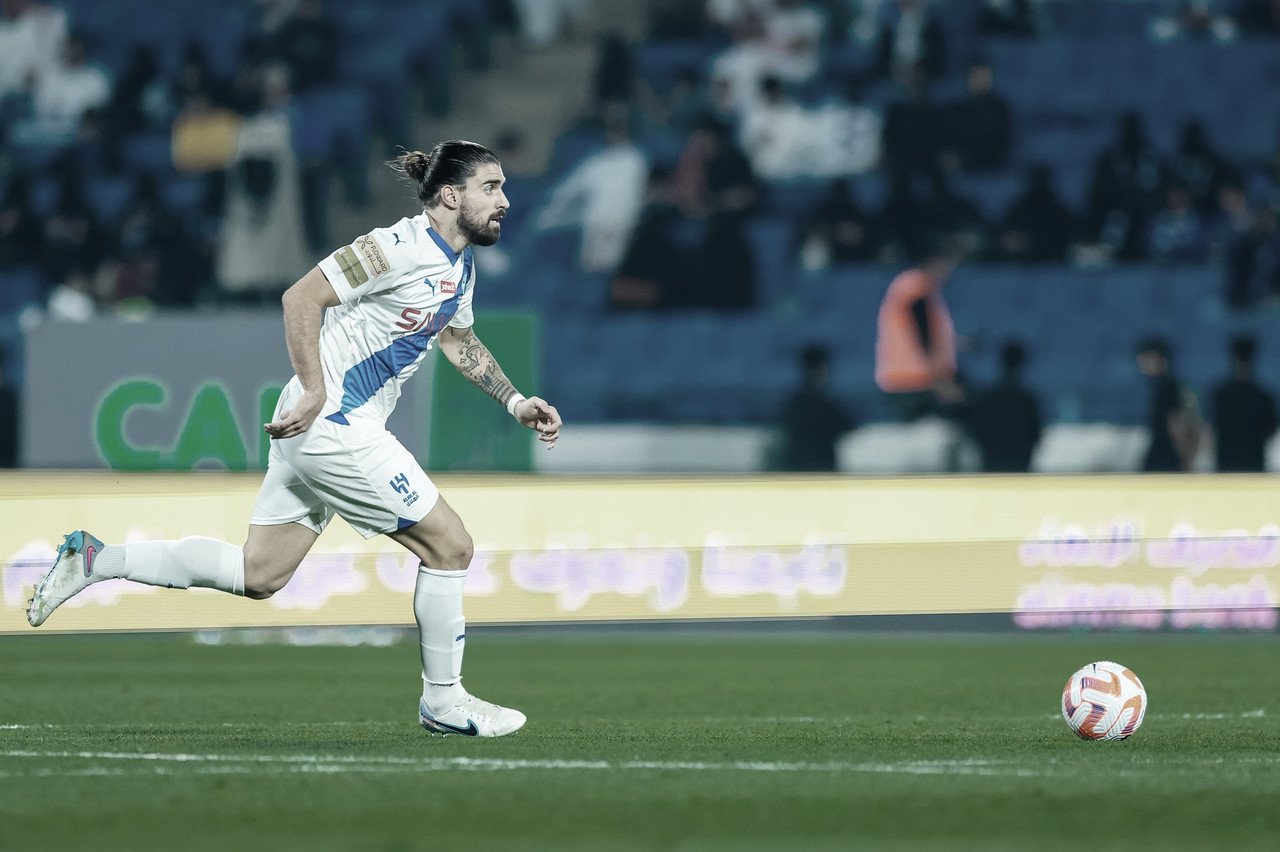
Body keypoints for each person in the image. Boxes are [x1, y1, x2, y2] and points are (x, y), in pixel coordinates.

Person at [26, 140, 564, 739]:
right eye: (491, 187)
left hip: (327, 424)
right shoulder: (395, 247)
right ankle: (444, 700)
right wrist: (312, 388)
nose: (505, 201)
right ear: (450, 195)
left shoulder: (458, 265)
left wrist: (515, 400)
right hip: (332, 420)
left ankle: (99, 560)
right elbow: (301, 297)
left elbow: (458, 341)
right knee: (451, 547)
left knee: (261, 574)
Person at [874, 234, 966, 421]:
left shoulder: (915, 287)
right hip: (915, 382)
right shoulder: (915, 286)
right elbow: (922, 333)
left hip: (909, 380)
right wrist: (941, 381)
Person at [966, 341, 1043, 472]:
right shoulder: (1026, 401)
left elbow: (975, 432)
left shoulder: (988, 399)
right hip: (1017, 465)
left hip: (993, 465)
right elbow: (1036, 435)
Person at [779, 345, 853, 471]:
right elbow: (847, 425)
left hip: (795, 467)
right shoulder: (825, 404)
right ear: (822, 368)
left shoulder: (792, 402)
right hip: (821, 469)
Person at [1211, 335, 1278, 471]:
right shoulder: (1263, 397)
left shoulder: (1221, 395)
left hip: (1226, 461)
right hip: (1254, 461)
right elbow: (1270, 429)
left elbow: (1213, 426)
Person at [1135, 336, 1201, 472]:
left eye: (1148, 358)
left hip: (1165, 459)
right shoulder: (1164, 386)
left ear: (1162, 360)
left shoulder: (1167, 388)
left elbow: (1176, 423)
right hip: (1165, 457)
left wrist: (1186, 459)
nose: (1142, 362)